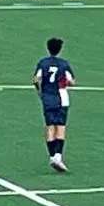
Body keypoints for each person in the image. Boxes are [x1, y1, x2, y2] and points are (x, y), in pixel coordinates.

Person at [32, 37, 75, 173]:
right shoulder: (63, 64)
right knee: (60, 127)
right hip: (61, 97)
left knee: (50, 127)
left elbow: (35, 79)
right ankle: (58, 156)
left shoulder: (42, 63)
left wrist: (40, 90)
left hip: (47, 97)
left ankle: (52, 156)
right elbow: (72, 81)